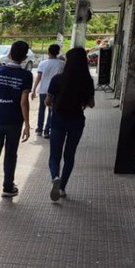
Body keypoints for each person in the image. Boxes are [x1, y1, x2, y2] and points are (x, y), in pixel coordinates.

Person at [0, 40, 33, 208]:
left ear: (10, 54)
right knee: (11, 154)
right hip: (14, 120)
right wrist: (27, 124)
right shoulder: (26, 76)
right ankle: (8, 187)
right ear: (25, 57)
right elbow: (24, 102)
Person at [45, 46, 96, 201]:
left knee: (54, 155)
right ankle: (62, 188)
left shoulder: (57, 79)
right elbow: (91, 104)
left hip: (58, 120)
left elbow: (47, 101)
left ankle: (55, 177)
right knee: (69, 155)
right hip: (77, 121)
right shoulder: (88, 81)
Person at [32, 43, 65, 137]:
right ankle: (47, 130)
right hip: (55, 91)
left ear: (48, 52)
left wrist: (34, 90)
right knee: (52, 110)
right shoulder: (62, 64)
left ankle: (39, 129)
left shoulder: (43, 63)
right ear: (58, 52)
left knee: (41, 109)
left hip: (43, 89)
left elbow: (38, 77)